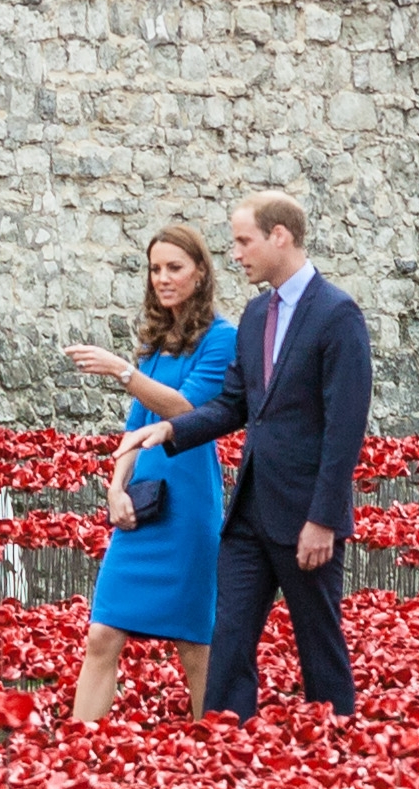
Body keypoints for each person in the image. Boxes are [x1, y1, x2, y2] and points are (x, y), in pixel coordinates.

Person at [131, 189, 368, 717]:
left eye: (244, 241)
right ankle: (225, 747)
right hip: (250, 514)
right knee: (229, 637)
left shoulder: (337, 314)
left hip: (306, 517)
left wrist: (324, 520)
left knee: (318, 643)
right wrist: (171, 432)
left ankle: (340, 749)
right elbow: (234, 405)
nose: (234, 254)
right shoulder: (258, 314)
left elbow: (345, 429)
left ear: (278, 236)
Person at [60, 223, 235, 722]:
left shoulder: (222, 339)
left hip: (189, 504)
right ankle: (79, 748)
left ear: (200, 274)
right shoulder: (156, 347)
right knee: (102, 634)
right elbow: (135, 428)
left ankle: (216, 748)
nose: (163, 278)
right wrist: (115, 489)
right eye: (156, 269)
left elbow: (187, 411)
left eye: (175, 268)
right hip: (142, 499)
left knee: (194, 643)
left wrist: (123, 372)